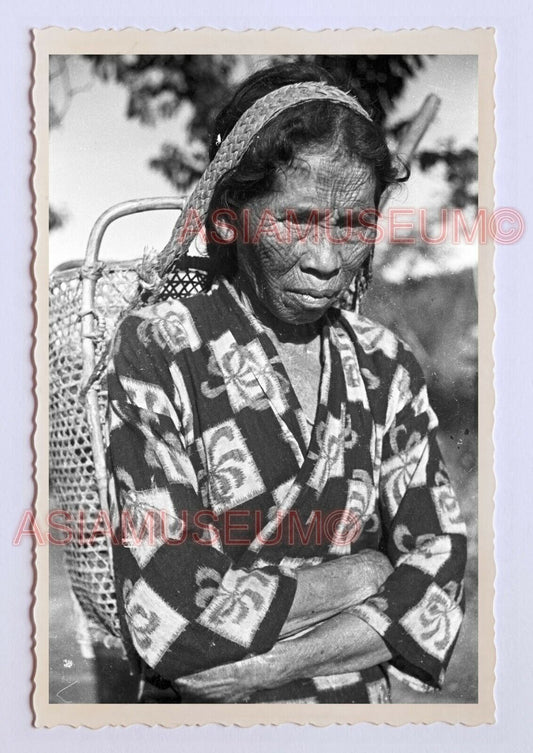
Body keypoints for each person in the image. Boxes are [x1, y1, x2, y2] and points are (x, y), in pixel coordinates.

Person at [106, 62, 467, 704]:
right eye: (297, 220)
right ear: (229, 222)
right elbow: (171, 610)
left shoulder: (386, 365)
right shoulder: (161, 345)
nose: (326, 260)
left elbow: (439, 568)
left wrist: (267, 668)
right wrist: (365, 572)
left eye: (354, 225)